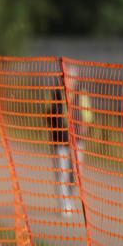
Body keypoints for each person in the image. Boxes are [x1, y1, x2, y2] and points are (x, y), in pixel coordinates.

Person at [46, 86, 75, 218]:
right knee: (61, 174)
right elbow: (48, 114)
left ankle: (69, 200)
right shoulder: (56, 94)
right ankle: (64, 204)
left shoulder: (78, 93)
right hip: (59, 141)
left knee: (72, 175)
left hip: (75, 142)